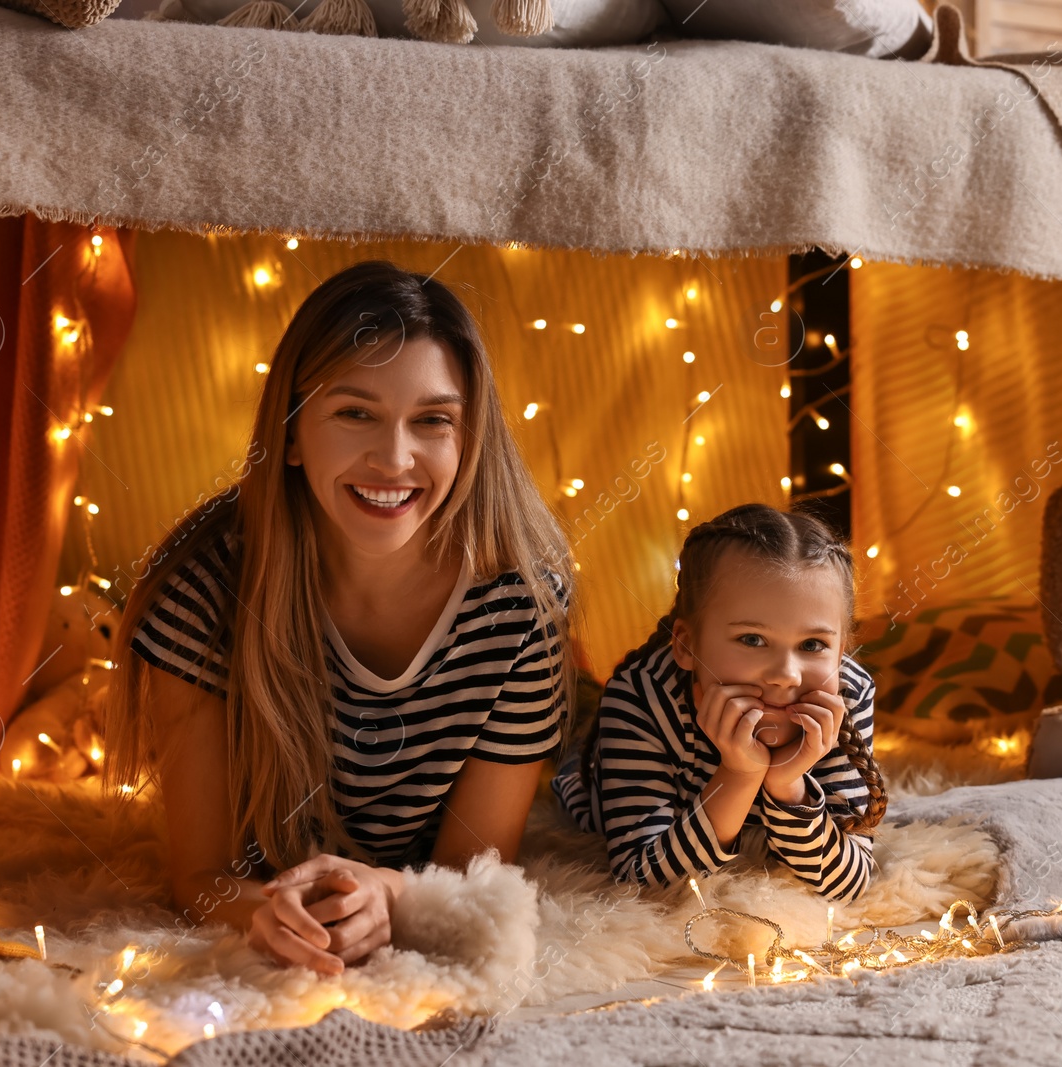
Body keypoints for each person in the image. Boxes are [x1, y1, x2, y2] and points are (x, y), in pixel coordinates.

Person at [103, 260, 576, 976]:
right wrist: (262, 913)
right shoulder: (200, 593)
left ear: (468, 440)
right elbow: (201, 879)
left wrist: (388, 892)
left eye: (433, 421)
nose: (394, 458)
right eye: (355, 412)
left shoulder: (518, 606)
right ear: (291, 435)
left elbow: (474, 872)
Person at [552, 503, 886, 901]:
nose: (786, 674)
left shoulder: (843, 695)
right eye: (752, 639)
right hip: (596, 770)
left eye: (813, 645)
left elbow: (846, 886)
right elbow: (641, 882)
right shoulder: (641, 696)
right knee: (567, 727)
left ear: (842, 650)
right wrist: (740, 774)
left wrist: (787, 784)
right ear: (687, 645)